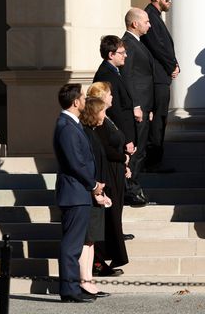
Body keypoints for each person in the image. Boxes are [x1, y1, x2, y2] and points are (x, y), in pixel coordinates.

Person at [53, 83, 104, 303]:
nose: (85, 100)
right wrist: (93, 185)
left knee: (74, 244)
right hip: (75, 193)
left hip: (78, 192)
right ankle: (69, 290)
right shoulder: (66, 125)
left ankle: (72, 288)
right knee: (72, 245)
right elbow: (75, 162)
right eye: (83, 97)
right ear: (75, 102)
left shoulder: (71, 124)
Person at [86, 82, 131, 277]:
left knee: (113, 217)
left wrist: (124, 163)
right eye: (110, 94)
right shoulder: (98, 121)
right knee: (105, 218)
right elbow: (104, 149)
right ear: (102, 96)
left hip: (116, 171)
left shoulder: (106, 117)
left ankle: (102, 259)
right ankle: (98, 261)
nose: (113, 97)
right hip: (107, 173)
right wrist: (123, 158)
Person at [140, 0, 179, 171]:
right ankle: (154, 162)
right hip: (158, 77)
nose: (169, 2)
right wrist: (172, 65)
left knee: (160, 119)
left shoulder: (155, 16)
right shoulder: (150, 16)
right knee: (158, 120)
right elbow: (157, 46)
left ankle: (155, 160)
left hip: (161, 75)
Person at [79, 97, 112, 298]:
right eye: (102, 111)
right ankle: (84, 281)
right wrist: (96, 191)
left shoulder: (92, 133)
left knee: (91, 241)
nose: (105, 115)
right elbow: (89, 165)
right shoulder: (86, 134)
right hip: (91, 192)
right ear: (94, 113)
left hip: (97, 191)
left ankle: (89, 279)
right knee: (87, 240)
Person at [121, 8, 154, 203]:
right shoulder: (128, 44)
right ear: (135, 23)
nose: (149, 25)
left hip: (144, 106)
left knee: (141, 150)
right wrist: (136, 105)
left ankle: (132, 187)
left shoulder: (137, 43)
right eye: (146, 22)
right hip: (138, 107)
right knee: (135, 151)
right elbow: (127, 77)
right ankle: (129, 189)